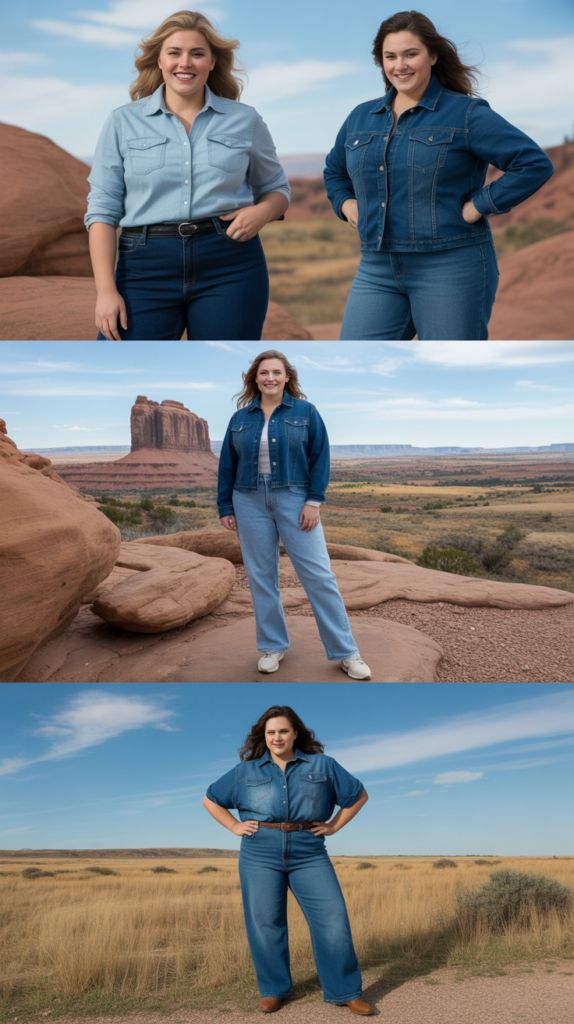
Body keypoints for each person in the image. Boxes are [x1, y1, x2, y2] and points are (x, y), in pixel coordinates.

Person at [324, 10, 554, 341]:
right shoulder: (361, 117)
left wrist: (479, 205)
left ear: (433, 56)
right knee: (355, 360)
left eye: (410, 54)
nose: (399, 65)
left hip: (451, 266)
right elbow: (334, 170)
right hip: (376, 266)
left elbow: (533, 163)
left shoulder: (466, 113)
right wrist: (345, 203)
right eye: (390, 56)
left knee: (451, 368)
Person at [85, 10, 289, 341]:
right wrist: (105, 292)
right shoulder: (123, 122)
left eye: (197, 53)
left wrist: (263, 212)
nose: (186, 63)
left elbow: (276, 189)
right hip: (144, 265)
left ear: (211, 62)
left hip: (230, 262)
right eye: (175, 53)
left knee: (221, 365)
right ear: (160, 61)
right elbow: (102, 209)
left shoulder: (245, 119)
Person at [202, 705, 373, 1016]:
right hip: (259, 851)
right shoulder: (246, 771)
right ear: (263, 737)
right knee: (266, 922)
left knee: (332, 918)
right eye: (271, 732)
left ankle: (345, 991)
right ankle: (273, 990)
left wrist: (333, 826)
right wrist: (234, 825)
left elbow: (358, 795)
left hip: (309, 851)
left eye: (283, 731)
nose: (277, 737)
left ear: (295, 734)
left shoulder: (323, 765)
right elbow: (210, 799)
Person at [217, 349, 371, 680]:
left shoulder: (306, 411)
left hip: (294, 497)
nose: (269, 378)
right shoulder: (240, 418)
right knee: (261, 576)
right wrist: (225, 507)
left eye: (276, 372)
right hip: (248, 500)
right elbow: (226, 467)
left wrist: (313, 502)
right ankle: (273, 646)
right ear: (254, 379)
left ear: (287, 377)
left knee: (319, 576)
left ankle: (347, 653)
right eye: (263, 373)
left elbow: (320, 457)